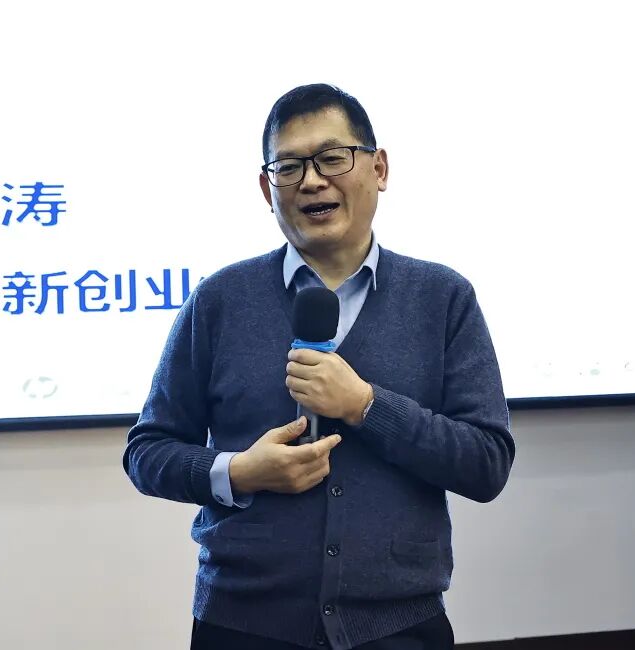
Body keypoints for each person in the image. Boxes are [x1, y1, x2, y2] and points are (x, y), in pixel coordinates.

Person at [122, 83, 514, 650]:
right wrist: (239, 472)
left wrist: (366, 406)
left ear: (379, 168)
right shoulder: (220, 300)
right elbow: (147, 452)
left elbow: (487, 464)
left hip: (400, 626)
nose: (311, 181)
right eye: (289, 167)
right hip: (241, 625)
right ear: (267, 188)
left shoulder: (442, 298)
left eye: (333, 158)